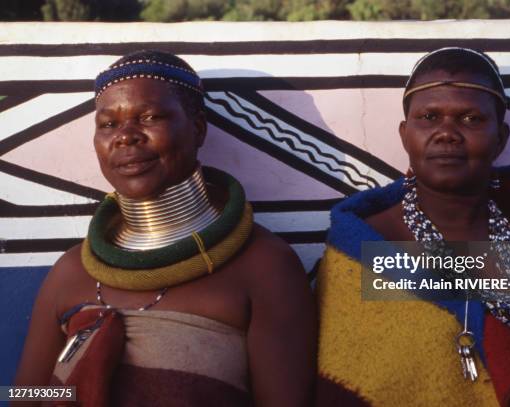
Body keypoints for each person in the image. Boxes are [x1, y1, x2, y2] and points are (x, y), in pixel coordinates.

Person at [14, 50, 316, 406]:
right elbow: (22, 394)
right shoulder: (72, 270)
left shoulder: (264, 266)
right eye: (108, 124)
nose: (125, 136)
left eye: (150, 117)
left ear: (198, 129)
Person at [315, 47, 510, 407]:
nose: (447, 133)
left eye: (470, 119)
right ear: (405, 134)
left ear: (500, 138)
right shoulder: (362, 249)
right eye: (429, 117)